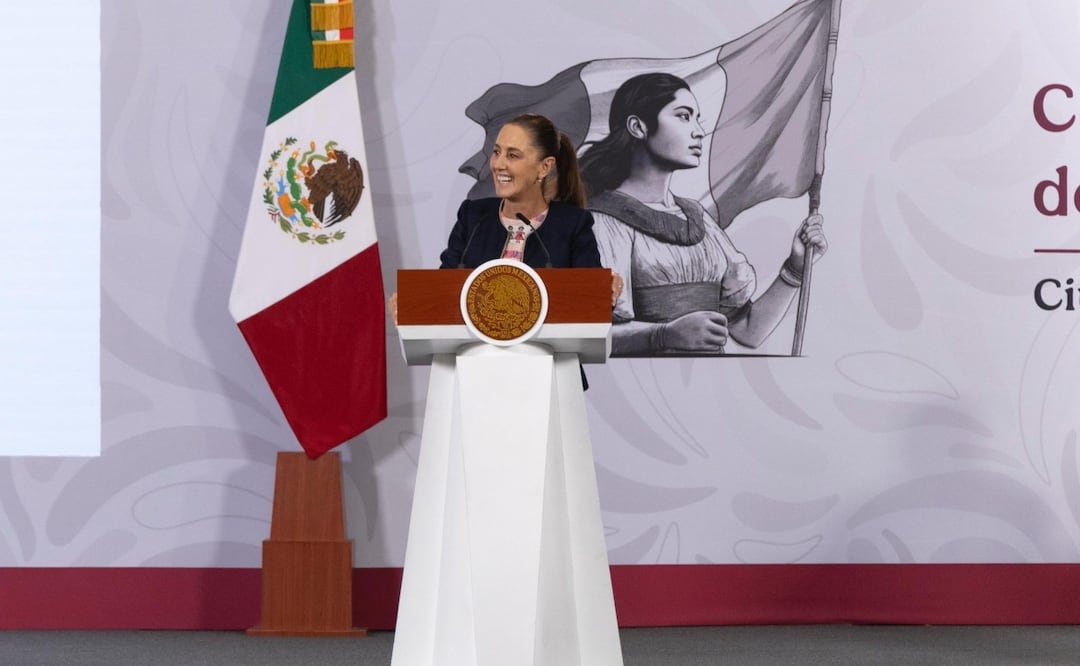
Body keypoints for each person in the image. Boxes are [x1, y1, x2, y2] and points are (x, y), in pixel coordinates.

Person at [579, 73, 828, 356]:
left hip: (710, 388)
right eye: (683, 117)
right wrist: (663, 335)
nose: (698, 131)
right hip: (643, 387)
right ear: (638, 127)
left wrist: (795, 268)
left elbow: (748, 331)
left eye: (697, 119)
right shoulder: (600, 221)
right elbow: (586, 336)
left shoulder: (698, 219)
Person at [390, 112, 623, 320]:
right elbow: (445, 292)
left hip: (550, 364)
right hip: (478, 363)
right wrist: (411, 304)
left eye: (513, 155)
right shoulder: (473, 217)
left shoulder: (573, 224)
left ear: (545, 167)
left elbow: (589, 306)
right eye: (496, 152)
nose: (498, 164)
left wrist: (607, 293)